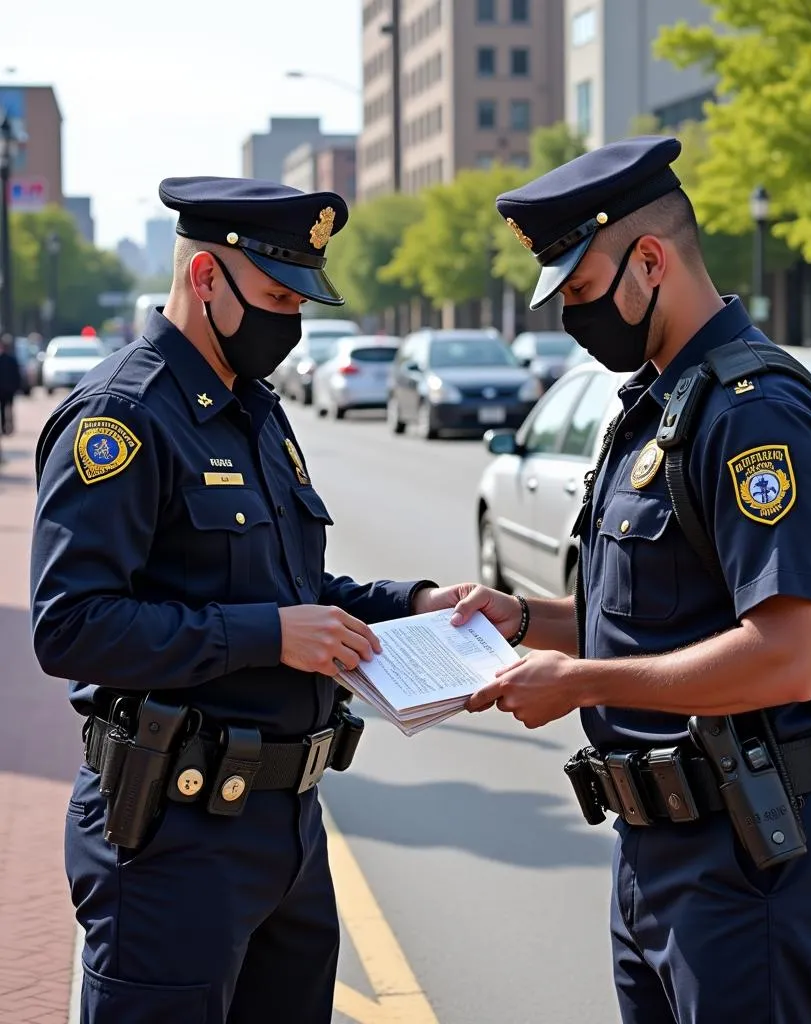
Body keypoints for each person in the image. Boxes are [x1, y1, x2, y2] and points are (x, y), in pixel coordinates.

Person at [29, 177, 502, 1024]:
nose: (292, 322)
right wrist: (266, 637)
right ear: (205, 277)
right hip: (171, 836)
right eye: (277, 296)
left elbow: (295, 592)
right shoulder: (121, 418)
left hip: (287, 828)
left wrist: (418, 602)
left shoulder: (253, 413)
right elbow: (71, 626)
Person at [453, 136, 811, 1023]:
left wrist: (581, 685)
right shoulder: (657, 407)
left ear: (649, 260)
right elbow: (652, 617)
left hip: (751, 851)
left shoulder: (755, 415)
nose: (572, 315)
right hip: (659, 847)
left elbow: (787, 657)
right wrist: (523, 618)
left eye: (580, 289)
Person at [0, 333, 21, 434]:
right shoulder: (13, 359)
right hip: (9, 389)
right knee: (9, 408)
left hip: (4, 389)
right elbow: (17, 375)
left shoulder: (9, 359)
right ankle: (9, 427)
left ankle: (5, 427)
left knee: (4, 408)